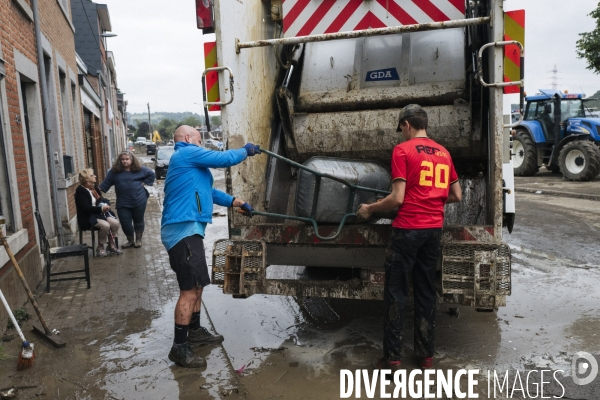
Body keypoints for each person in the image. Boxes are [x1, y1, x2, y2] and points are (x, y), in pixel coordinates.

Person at [356, 104, 462, 371]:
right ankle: (426, 358)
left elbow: (397, 198)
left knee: (396, 293)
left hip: (407, 230)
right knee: (426, 292)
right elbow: (457, 195)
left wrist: (370, 208)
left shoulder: (403, 150)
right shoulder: (444, 153)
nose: (401, 133)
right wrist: (431, 198)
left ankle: (392, 360)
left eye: (401, 128)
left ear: (406, 124)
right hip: (433, 231)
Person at [161, 125, 260, 368]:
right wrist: (245, 151)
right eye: (198, 137)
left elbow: (209, 191)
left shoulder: (191, 164)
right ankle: (179, 347)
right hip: (182, 230)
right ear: (187, 138)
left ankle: (194, 331)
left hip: (189, 230)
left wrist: (235, 202)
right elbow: (224, 159)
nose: (201, 142)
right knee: (189, 290)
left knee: (197, 285)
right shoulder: (185, 153)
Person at [99, 151, 155, 249]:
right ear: (119, 161)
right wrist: (93, 191)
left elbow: (151, 174)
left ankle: (138, 239)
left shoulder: (140, 169)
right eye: (122, 159)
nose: (125, 161)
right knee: (125, 222)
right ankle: (130, 240)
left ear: (132, 160)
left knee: (138, 220)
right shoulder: (114, 172)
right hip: (123, 202)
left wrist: (145, 182)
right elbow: (105, 184)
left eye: (127, 159)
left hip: (139, 200)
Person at [75, 168, 123, 257]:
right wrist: (101, 209)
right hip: (87, 217)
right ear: (86, 179)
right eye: (92, 175)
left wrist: (105, 203)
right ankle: (100, 247)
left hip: (99, 214)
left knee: (115, 223)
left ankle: (111, 245)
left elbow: (100, 199)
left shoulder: (94, 188)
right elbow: (85, 208)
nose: (95, 176)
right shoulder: (80, 191)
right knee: (105, 225)